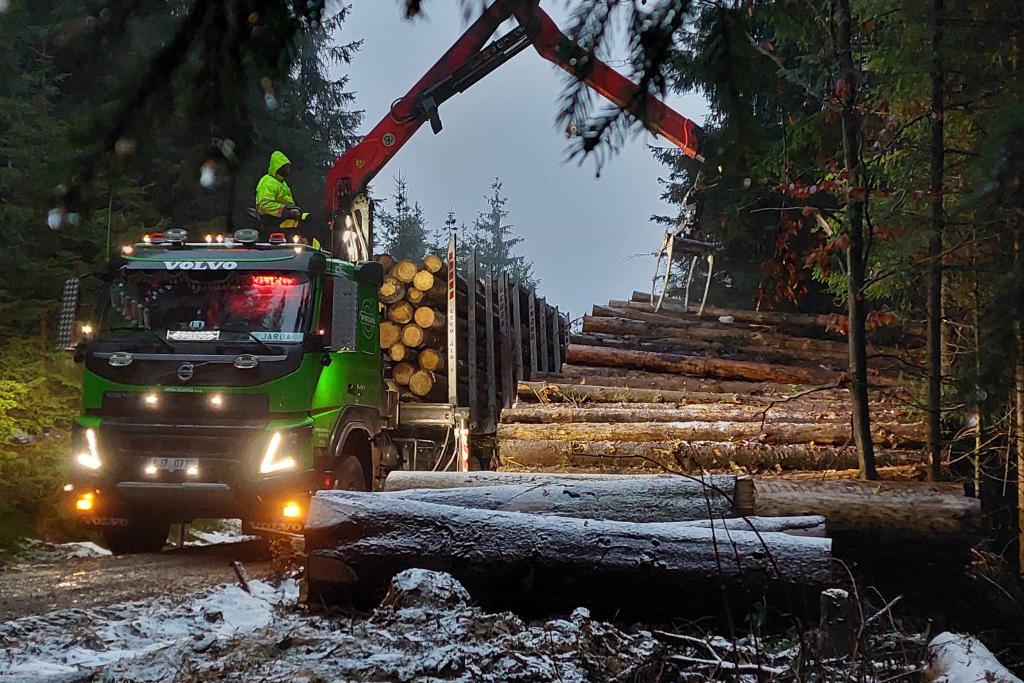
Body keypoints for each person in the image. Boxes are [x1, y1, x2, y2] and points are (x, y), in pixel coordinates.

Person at [255, 151, 305, 233]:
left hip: (284, 219)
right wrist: (286, 211)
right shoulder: (268, 181)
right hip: (271, 221)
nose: (288, 170)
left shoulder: (282, 183)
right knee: (308, 222)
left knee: (308, 219)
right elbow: (265, 204)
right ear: (279, 167)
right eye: (286, 167)